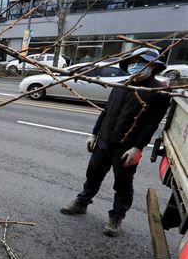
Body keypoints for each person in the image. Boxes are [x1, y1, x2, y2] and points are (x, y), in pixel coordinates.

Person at [60, 47, 170, 237]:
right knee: (93, 174)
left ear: (153, 66)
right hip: (104, 139)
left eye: (142, 63)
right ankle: (82, 202)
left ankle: (117, 216)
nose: (136, 66)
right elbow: (106, 111)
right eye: (133, 62)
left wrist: (137, 148)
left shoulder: (158, 92)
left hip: (127, 146)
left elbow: (151, 124)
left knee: (122, 183)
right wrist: (94, 134)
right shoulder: (121, 84)